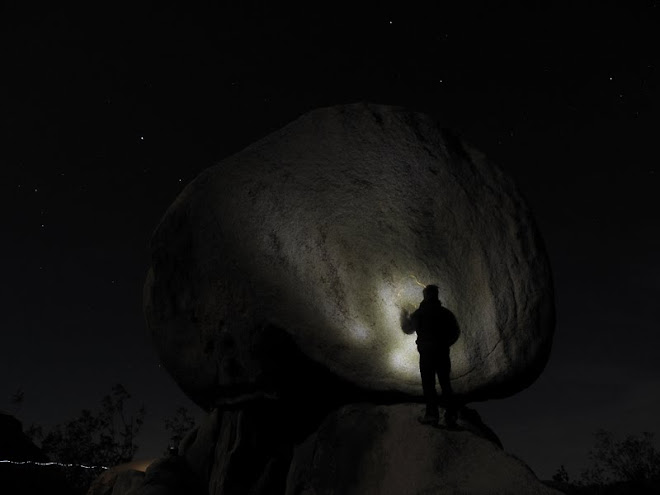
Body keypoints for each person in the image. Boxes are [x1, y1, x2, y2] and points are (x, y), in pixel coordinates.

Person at [401, 284, 459, 427]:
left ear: (425, 296)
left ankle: (432, 415)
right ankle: (451, 416)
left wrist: (403, 316)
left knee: (429, 384)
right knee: (445, 383)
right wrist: (445, 343)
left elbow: (408, 329)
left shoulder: (420, 313)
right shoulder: (446, 313)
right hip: (442, 352)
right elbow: (456, 332)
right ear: (436, 296)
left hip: (426, 353)